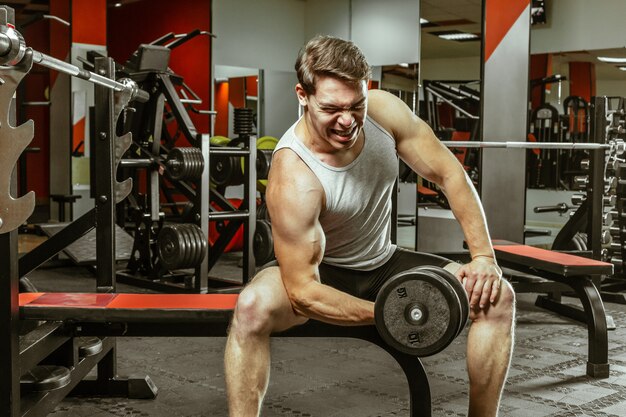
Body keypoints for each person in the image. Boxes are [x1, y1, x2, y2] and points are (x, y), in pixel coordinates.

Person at [225, 35, 515, 417]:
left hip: (383, 262)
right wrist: (390, 310)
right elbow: (303, 294)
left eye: (355, 105)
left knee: (497, 298)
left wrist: (483, 257)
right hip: (320, 274)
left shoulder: (383, 113)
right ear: (303, 95)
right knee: (250, 308)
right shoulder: (294, 174)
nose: (347, 121)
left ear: (367, 91)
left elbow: (449, 173)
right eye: (332, 108)